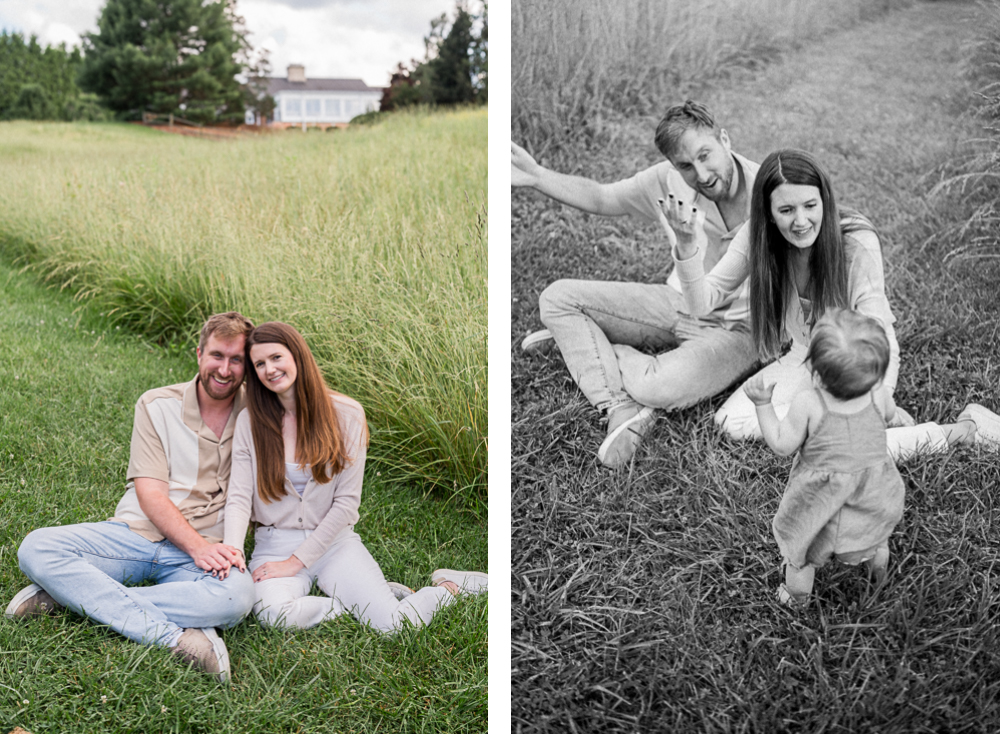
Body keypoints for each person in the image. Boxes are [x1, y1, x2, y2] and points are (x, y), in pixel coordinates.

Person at [670, 148, 1000, 455]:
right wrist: (686, 248)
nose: (800, 222)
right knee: (731, 421)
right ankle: (828, 425)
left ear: (824, 200)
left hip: (860, 357)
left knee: (854, 446)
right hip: (805, 355)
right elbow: (703, 303)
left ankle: (963, 432)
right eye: (786, 210)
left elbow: (876, 331)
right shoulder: (756, 237)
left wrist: (879, 395)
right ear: (768, 214)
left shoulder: (856, 240)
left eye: (809, 206)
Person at [6, 312, 258, 682]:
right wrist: (196, 547)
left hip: (206, 550)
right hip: (137, 534)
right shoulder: (157, 405)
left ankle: (73, 598)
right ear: (200, 353)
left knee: (238, 598)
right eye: (217, 355)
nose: (225, 369)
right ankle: (178, 638)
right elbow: (150, 493)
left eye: (237, 360)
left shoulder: (258, 413)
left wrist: (205, 550)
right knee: (36, 547)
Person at [512, 100, 761, 468]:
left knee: (656, 387)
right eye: (686, 166)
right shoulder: (666, 180)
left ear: (724, 139)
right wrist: (537, 176)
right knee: (558, 298)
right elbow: (602, 196)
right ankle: (618, 405)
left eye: (706, 155)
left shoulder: (769, 190)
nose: (702, 174)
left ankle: (585, 344)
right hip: (675, 301)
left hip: (738, 329)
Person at [223, 322, 487, 632]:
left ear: (297, 355)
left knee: (394, 625)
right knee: (274, 614)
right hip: (274, 544)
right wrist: (234, 552)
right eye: (260, 364)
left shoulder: (347, 414)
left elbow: (346, 505)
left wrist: (295, 562)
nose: (269, 369)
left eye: (276, 357)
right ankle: (365, 601)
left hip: (334, 543)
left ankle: (448, 589)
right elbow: (239, 497)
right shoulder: (249, 422)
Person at [745, 309, 905, 604]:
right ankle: (877, 571)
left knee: (802, 551)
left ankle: (796, 597)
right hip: (870, 495)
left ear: (815, 372)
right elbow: (891, 414)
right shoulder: (878, 393)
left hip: (820, 502)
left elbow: (782, 445)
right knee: (875, 536)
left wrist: (763, 405)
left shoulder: (809, 403)